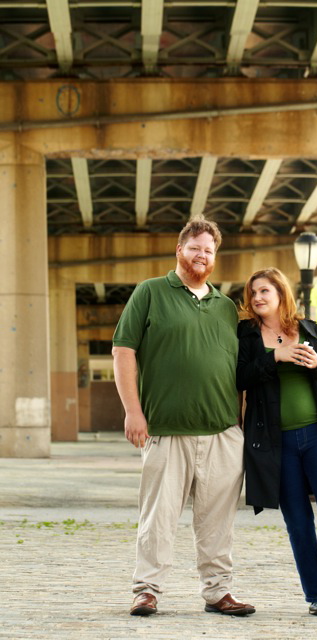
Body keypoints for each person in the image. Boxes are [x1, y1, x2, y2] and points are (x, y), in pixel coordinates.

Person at [112, 215, 255, 618]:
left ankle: (218, 591)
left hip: (223, 433)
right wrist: (132, 412)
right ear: (180, 250)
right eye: (195, 248)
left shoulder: (226, 308)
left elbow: (243, 371)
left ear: (215, 257)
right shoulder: (151, 292)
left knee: (218, 522)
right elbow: (124, 352)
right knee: (157, 518)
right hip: (165, 430)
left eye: (209, 250)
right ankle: (146, 590)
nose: (202, 255)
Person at [236, 267, 317, 617]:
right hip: (276, 442)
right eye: (253, 293)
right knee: (298, 520)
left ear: (280, 294)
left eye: (264, 291)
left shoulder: (307, 328)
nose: (257, 298)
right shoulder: (246, 334)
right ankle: (316, 595)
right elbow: (240, 376)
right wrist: (274, 357)